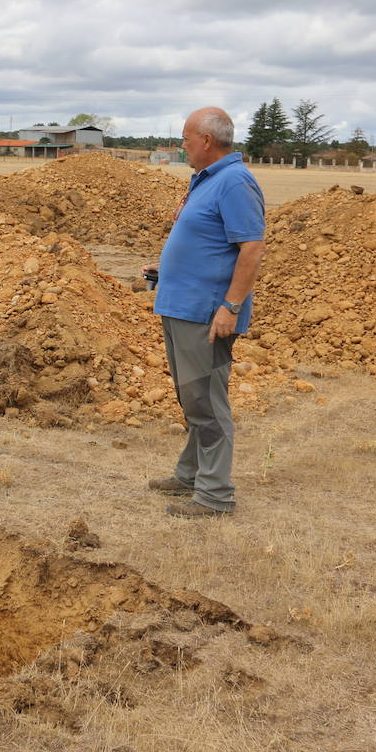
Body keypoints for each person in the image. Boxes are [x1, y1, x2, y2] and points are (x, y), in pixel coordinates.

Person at [147, 107, 266, 519]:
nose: (182, 146)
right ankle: (190, 474)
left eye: (184, 139)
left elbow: (251, 249)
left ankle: (215, 495)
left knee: (207, 401)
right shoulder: (208, 181)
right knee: (191, 397)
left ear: (206, 141)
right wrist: (166, 270)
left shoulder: (235, 182)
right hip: (180, 306)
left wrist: (230, 307)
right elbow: (208, 243)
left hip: (206, 314)